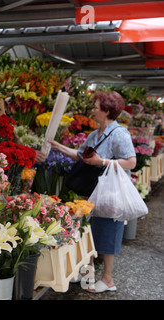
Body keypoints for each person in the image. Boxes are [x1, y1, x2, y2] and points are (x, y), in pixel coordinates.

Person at [48, 90, 136, 293]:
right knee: (89, 231)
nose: (93, 110)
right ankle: (87, 276)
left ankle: (108, 279)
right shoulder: (95, 135)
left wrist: (101, 161)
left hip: (109, 192)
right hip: (93, 191)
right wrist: (57, 146)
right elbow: (80, 156)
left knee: (108, 231)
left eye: (96, 107)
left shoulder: (119, 134)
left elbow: (131, 161)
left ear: (106, 110)